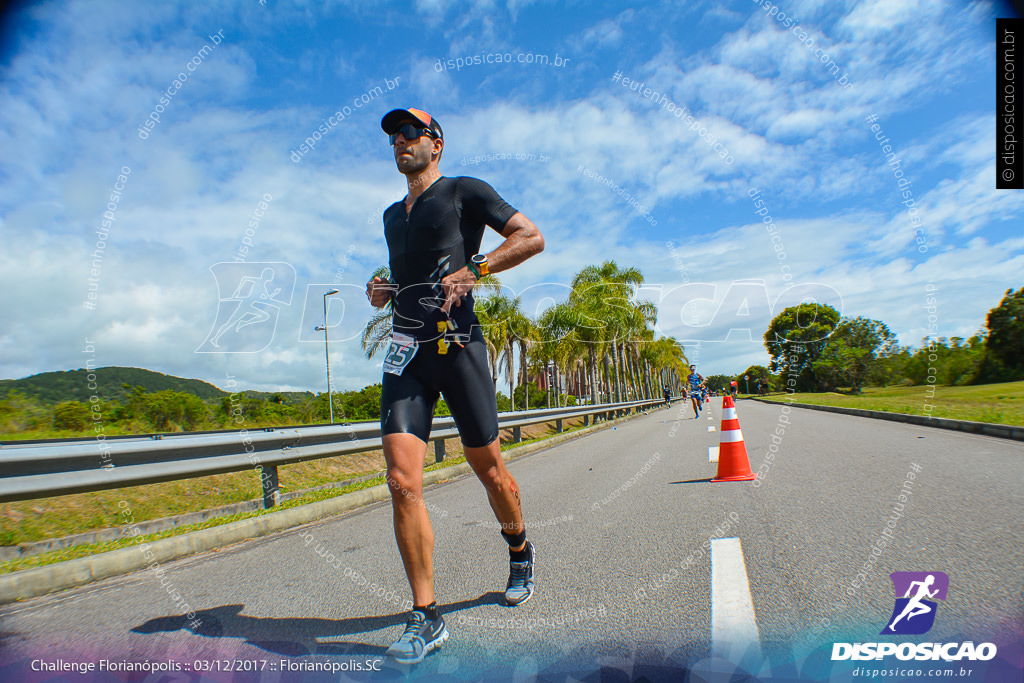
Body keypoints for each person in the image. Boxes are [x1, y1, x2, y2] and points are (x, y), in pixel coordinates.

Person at [366, 107, 545, 665]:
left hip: (458, 347)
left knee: (490, 470)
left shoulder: (465, 191)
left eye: (411, 132)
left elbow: (531, 237)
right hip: (406, 354)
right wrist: (384, 287)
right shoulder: (393, 216)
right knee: (400, 480)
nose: (400, 141)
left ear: (435, 143)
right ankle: (426, 616)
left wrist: (479, 268)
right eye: (395, 135)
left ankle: (519, 549)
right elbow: (406, 273)